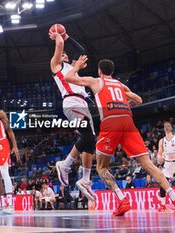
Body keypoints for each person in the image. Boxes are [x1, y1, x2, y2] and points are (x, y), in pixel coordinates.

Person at [64, 55, 175, 215]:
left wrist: (78, 66)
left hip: (110, 121)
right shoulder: (119, 84)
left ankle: (122, 199)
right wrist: (123, 105)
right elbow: (139, 99)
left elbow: (68, 78)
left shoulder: (96, 81)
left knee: (101, 167)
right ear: (112, 71)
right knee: (148, 165)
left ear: (100, 70)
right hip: (127, 121)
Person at [49, 30, 96, 201]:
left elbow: (82, 51)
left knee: (90, 140)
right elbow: (60, 46)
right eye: (62, 55)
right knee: (88, 136)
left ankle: (85, 179)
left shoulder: (73, 69)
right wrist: (57, 35)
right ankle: (65, 164)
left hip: (83, 104)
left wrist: (68, 36)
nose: (65, 55)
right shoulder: (57, 66)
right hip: (72, 102)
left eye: (67, 55)